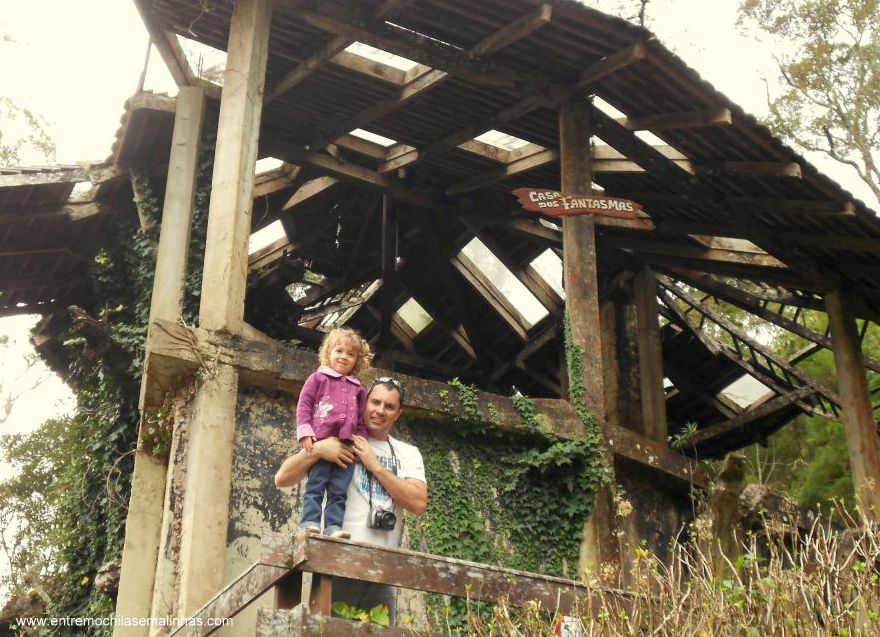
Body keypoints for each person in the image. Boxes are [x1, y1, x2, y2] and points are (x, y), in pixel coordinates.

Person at [275, 377, 427, 622]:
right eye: (375, 402)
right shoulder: (336, 440)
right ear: (363, 403)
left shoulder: (407, 453)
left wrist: (375, 466)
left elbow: (418, 503)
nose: (380, 410)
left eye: (389, 407)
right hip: (337, 563)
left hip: (383, 570)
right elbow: (281, 478)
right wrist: (320, 449)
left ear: (398, 414)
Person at [295, 328, 372, 537]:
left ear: (357, 360)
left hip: (347, 448)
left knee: (339, 491)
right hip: (321, 441)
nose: (344, 357)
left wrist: (361, 441)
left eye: (350, 354)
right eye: (339, 351)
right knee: (316, 486)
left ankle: (333, 527)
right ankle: (309, 522)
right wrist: (304, 431)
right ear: (328, 352)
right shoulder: (318, 378)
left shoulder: (359, 388)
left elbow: (361, 420)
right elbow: (304, 405)